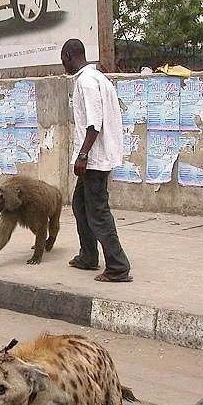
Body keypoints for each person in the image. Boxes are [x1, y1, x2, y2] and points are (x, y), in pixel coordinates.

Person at [61, 39, 132, 283]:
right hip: (97, 157)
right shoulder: (99, 78)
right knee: (79, 204)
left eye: (63, 59)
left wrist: (83, 155)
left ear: (69, 55)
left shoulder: (86, 81)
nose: (63, 65)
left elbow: (94, 124)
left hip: (94, 159)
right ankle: (88, 256)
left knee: (98, 212)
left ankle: (118, 267)